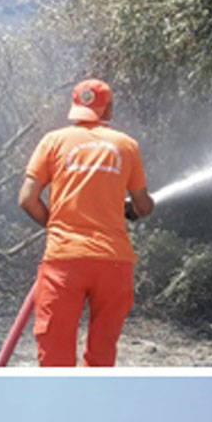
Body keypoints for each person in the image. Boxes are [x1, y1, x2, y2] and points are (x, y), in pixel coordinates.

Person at [18, 79, 154, 367]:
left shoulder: (52, 141)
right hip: (114, 263)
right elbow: (142, 206)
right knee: (102, 354)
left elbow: (27, 199)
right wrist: (134, 208)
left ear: (76, 107)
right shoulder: (126, 145)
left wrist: (57, 226)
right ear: (109, 110)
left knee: (54, 356)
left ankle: (61, 410)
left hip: (64, 262)